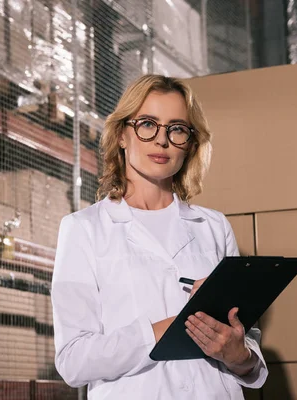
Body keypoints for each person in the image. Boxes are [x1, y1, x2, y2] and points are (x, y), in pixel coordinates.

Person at [51, 74, 268, 399]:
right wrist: (171, 328)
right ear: (123, 134)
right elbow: (73, 361)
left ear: (190, 144)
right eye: (148, 124)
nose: (162, 140)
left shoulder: (214, 226)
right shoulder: (83, 229)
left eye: (177, 129)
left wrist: (240, 356)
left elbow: (245, 341)